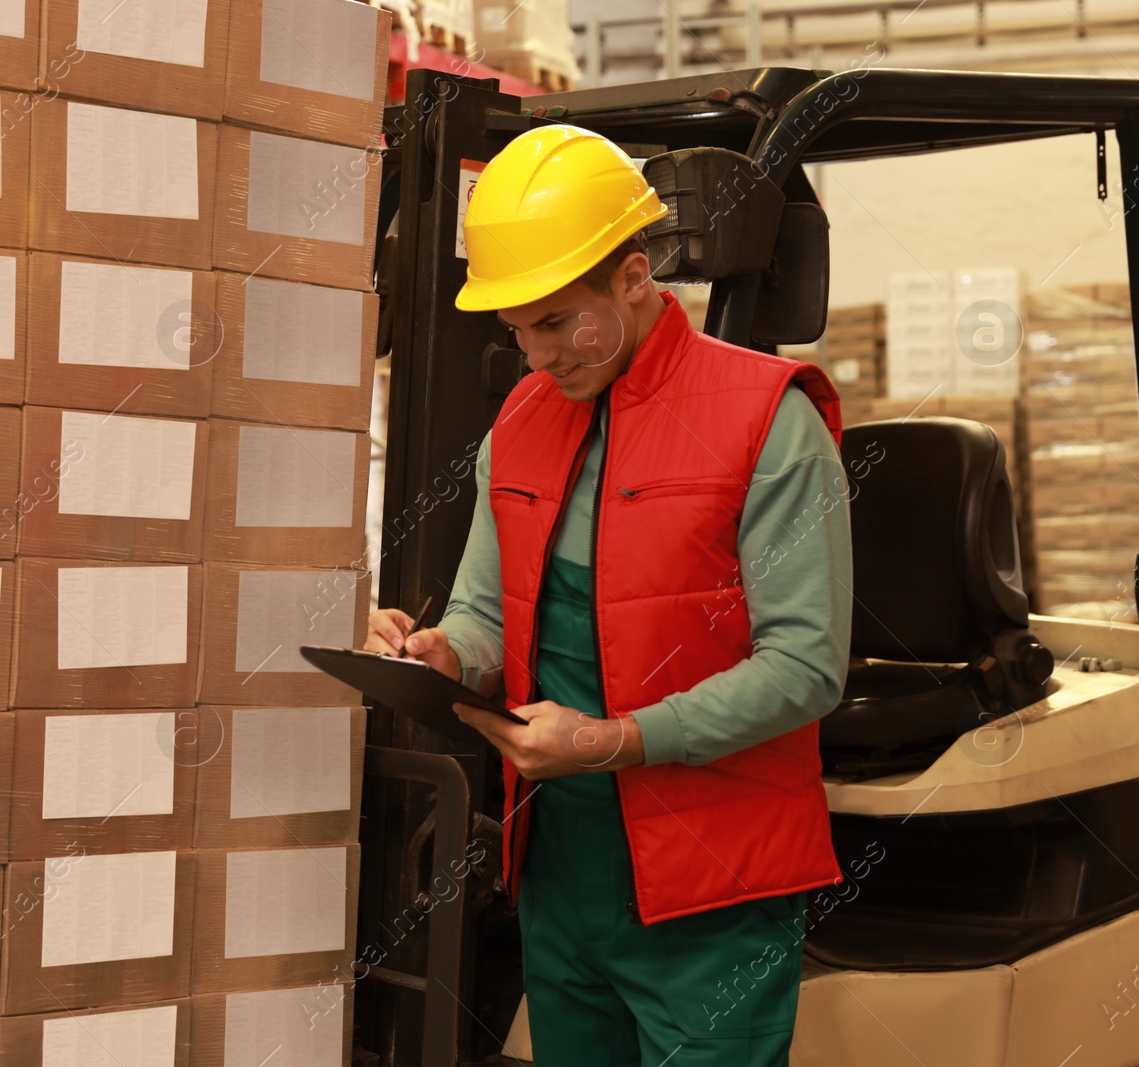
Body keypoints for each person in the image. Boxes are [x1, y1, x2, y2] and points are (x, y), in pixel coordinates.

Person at [363, 125, 855, 1066]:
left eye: (556, 322)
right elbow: (483, 609)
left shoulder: (767, 420)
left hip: (713, 883)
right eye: (516, 328)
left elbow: (804, 669)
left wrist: (613, 740)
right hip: (562, 871)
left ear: (636, 277)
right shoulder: (521, 421)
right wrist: (443, 652)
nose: (537, 352)